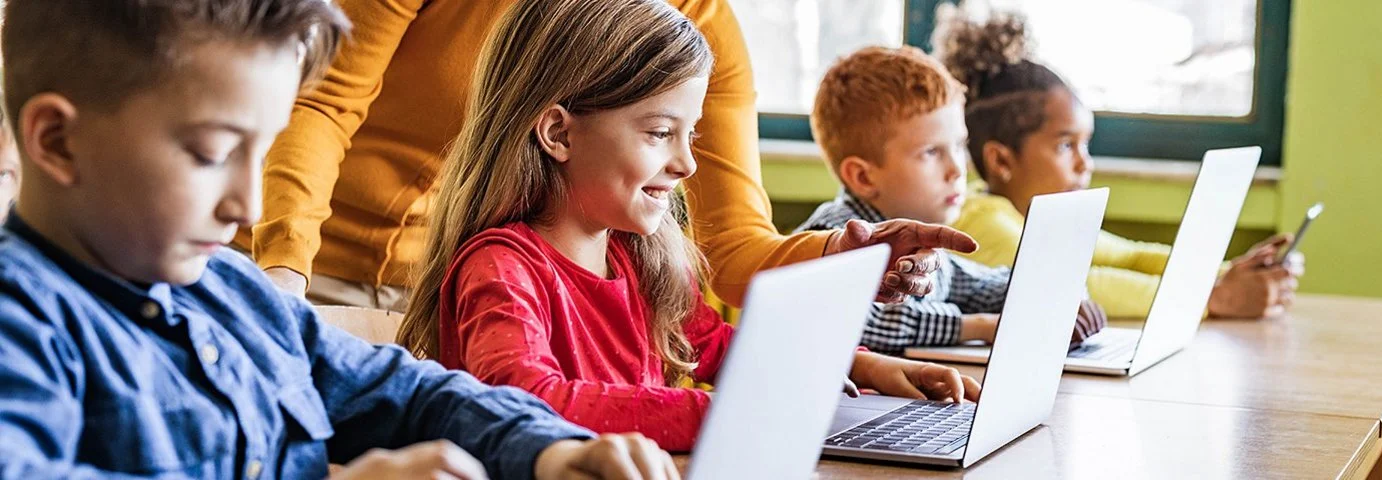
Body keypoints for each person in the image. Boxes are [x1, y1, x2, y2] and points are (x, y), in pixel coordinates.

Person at [0, 1, 677, 478]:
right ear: (57, 141)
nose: (248, 206)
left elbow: (408, 393)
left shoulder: (233, 292)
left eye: (261, 154)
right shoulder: (20, 325)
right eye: (210, 153)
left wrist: (548, 451)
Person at [396, 0, 982, 452]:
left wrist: (859, 363)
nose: (687, 162)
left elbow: (713, 345)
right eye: (659, 133)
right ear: (559, 133)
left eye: (690, 133)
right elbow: (526, 401)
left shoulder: (635, 256)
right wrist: (728, 415)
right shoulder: (500, 267)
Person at [243, 0, 978, 312]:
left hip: (492, 291)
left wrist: (842, 259)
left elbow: (730, 245)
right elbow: (320, 105)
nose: (677, 158)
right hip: (321, 276)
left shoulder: (701, 23)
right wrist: (281, 273)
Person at [931, 7, 1301, 318]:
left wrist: (1231, 272)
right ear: (1001, 160)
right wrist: (1217, 297)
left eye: (1085, 145)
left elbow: (1131, 257)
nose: (1084, 164)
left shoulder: (1034, 215)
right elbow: (1076, 288)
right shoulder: (981, 221)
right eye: (1065, 146)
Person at [794, 45, 1105, 353]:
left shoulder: (926, 246)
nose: (957, 168)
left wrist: (1059, 295)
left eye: (958, 146)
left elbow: (981, 287)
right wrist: (980, 327)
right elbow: (862, 319)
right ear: (863, 177)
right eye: (931, 152)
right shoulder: (830, 237)